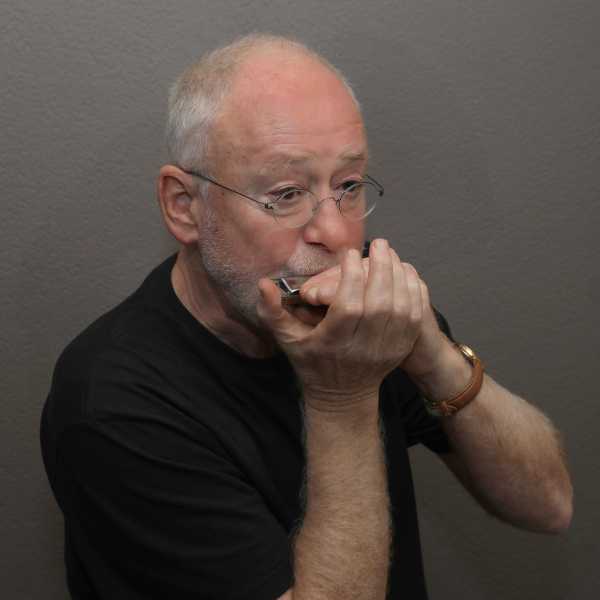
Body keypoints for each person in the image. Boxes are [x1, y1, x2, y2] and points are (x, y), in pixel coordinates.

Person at [41, 33, 573, 600]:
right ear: (185, 206)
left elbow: (548, 506)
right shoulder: (112, 404)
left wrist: (433, 356)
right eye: (286, 194)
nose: (337, 234)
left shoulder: (358, 318)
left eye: (349, 185)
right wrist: (343, 398)